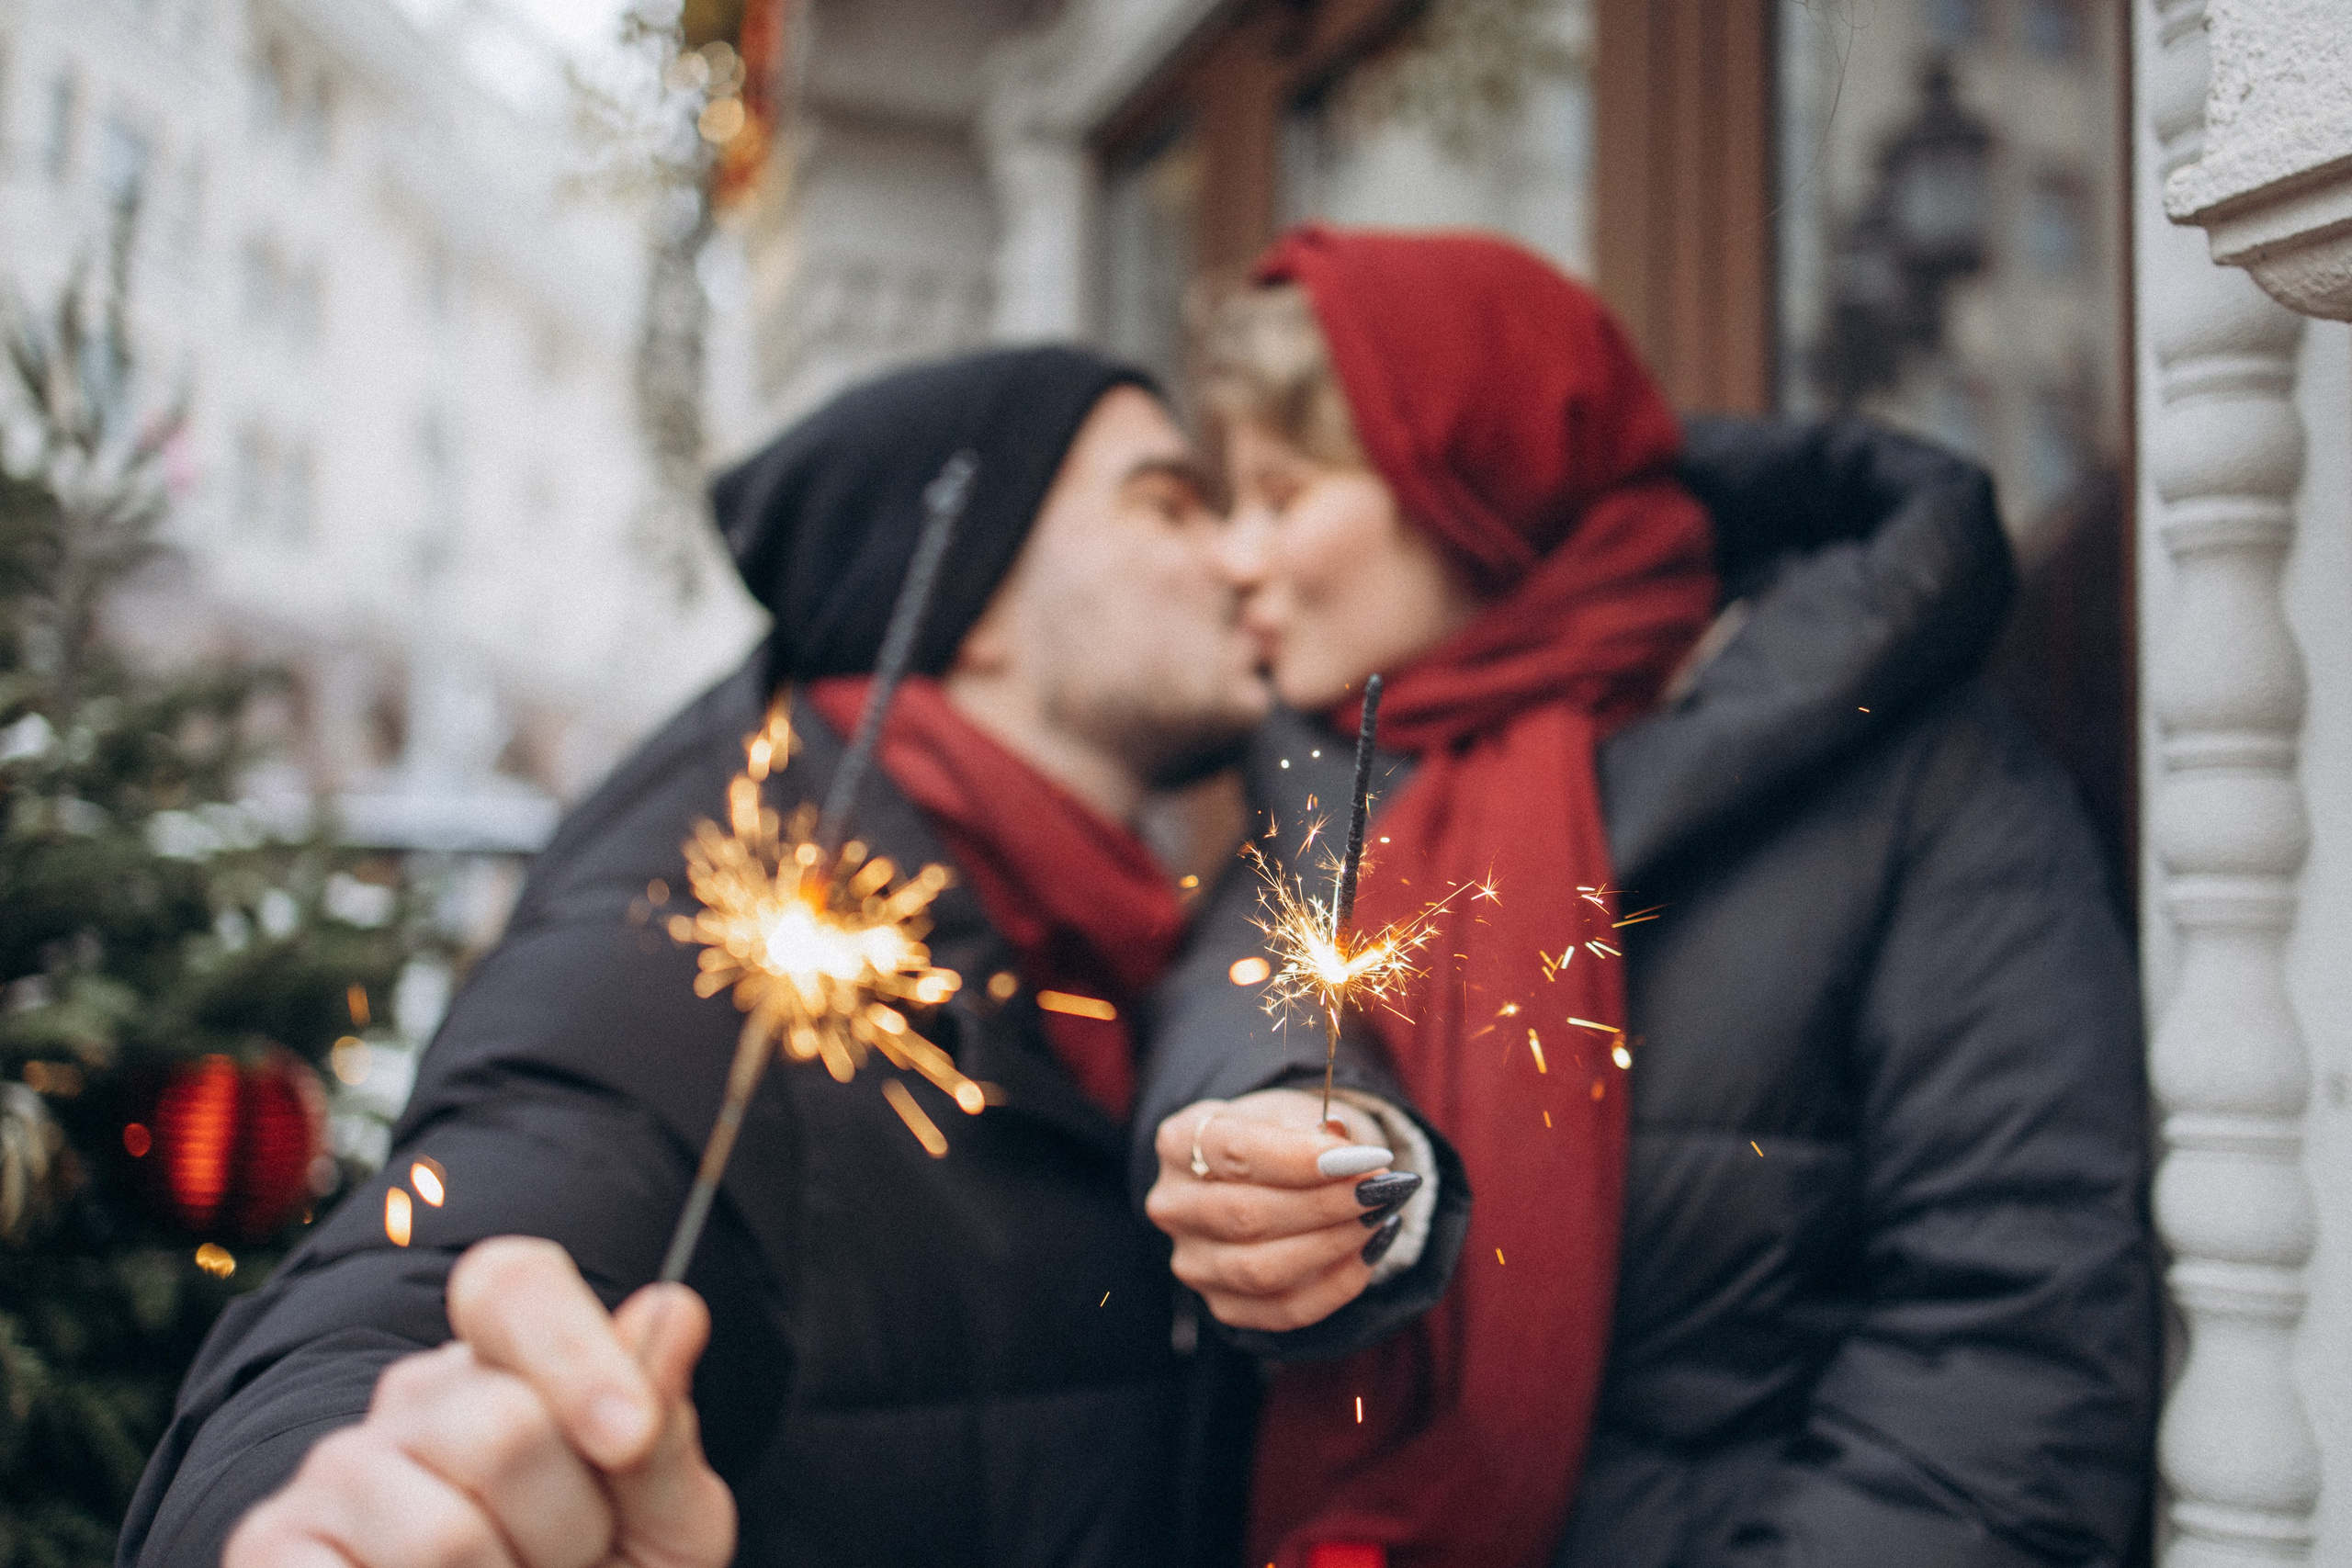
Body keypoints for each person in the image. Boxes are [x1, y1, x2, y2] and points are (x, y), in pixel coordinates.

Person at [117, 346, 1439, 1568]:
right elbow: (441, 1274)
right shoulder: (709, 944)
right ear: (972, 600)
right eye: (1171, 503)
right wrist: (339, 1502)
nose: (1242, 557)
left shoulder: (1104, 932)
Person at [1136, 225, 2158, 1568]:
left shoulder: (1914, 766)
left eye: (1282, 492)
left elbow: (2014, 1341)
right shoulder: (1331, 786)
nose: (1235, 559)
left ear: (1470, 483)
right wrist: (1297, 1133)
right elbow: (1236, 996)